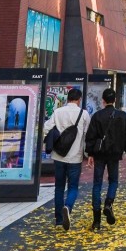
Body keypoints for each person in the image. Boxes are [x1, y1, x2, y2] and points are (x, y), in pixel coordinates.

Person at [84, 88, 126, 230]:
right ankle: (108, 203)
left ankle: (96, 221)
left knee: (97, 184)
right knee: (113, 180)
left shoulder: (97, 116)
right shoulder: (122, 116)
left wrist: (90, 154)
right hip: (115, 154)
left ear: (103, 101)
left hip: (99, 153)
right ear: (115, 100)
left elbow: (91, 136)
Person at [50, 86, 88, 232]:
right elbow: (87, 134)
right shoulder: (83, 114)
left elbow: (47, 128)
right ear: (79, 100)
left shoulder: (57, 112)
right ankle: (68, 207)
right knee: (73, 187)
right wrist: (87, 153)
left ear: (67, 98)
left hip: (58, 155)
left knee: (59, 187)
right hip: (75, 157)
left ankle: (59, 219)